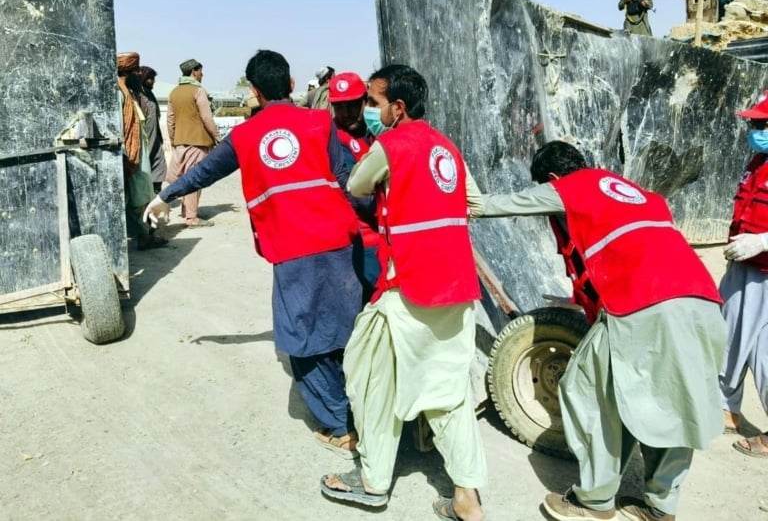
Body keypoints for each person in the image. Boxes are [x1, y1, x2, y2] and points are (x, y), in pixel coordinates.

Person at [481, 140, 725, 521]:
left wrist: (451, 199)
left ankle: (593, 501)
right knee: (673, 401)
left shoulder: (568, 188)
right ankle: (660, 507)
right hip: (701, 299)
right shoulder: (639, 195)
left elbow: (500, 205)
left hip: (645, 302)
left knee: (589, 392)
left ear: (552, 178)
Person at [144, 49, 364, 458]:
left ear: (255, 91)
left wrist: (165, 196)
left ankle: (340, 426)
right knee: (345, 328)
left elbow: (205, 171)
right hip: (339, 241)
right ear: (292, 84)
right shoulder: (320, 122)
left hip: (292, 249)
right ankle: (366, 413)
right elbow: (350, 181)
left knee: (300, 337)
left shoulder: (245, 136)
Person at [320, 64, 487, 521]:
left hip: (408, 285)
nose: (368, 111)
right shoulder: (447, 147)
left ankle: (374, 481)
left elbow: (356, 184)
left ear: (397, 107)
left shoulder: (392, 145)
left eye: (373, 103)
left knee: (368, 374)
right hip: (457, 284)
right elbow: (473, 203)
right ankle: (467, 498)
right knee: (449, 392)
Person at [718, 91, 768, 458]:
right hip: (744, 266)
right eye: (753, 123)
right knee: (727, 337)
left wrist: (762, 241)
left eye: (761, 123)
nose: (754, 129)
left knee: (765, 353)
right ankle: (726, 409)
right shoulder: (758, 160)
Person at [328, 71, 379, 303]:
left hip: (382, 237)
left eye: (352, 105)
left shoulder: (375, 131)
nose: (347, 113)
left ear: (365, 102)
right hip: (360, 240)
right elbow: (356, 193)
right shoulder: (334, 140)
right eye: (340, 107)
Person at [116, 52, 167, 250]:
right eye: (136, 70)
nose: (139, 74)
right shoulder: (119, 94)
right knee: (135, 197)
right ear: (128, 71)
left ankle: (144, 235)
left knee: (139, 196)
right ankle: (143, 237)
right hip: (129, 156)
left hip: (138, 155)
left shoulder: (130, 93)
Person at [165, 58, 221, 228]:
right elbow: (207, 117)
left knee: (182, 177)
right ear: (194, 72)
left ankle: (186, 211)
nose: (202, 75)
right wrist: (217, 137)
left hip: (180, 141)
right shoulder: (198, 91)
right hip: (197, 142)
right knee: (195, 179)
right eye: (200, 71)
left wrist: (174, 139)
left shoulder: (174, 92)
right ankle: (192, 218)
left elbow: (170, 120)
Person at [137, 65, 168, 194]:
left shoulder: (150, 95)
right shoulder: (137, 96)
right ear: (143, 78)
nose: (153, 81)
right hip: (143, 141)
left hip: (155, 139)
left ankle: (156, 194)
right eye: (150, 78)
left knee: (159, 166)